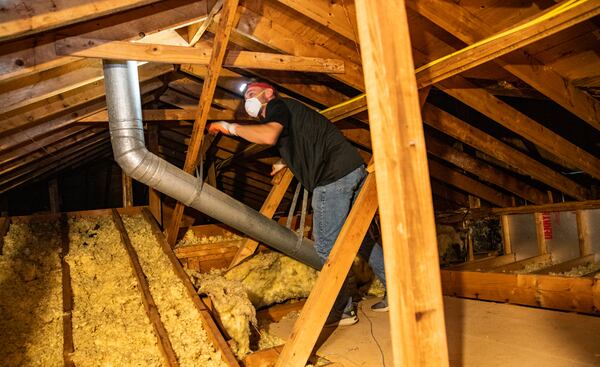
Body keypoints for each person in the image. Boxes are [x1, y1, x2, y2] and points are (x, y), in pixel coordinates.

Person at [208, 81, 388, 326]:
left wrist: (229, 127)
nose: (246, 100)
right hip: (352, 170)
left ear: (268, 93)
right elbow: (303, 140)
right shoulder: (290, 111)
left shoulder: (277, 106)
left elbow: (269, 135)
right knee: (363, 240)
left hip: (331, 179)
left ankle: (343, 310)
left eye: (250, 93)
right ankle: (396, 290)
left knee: (326, 249)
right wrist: (285, 162)